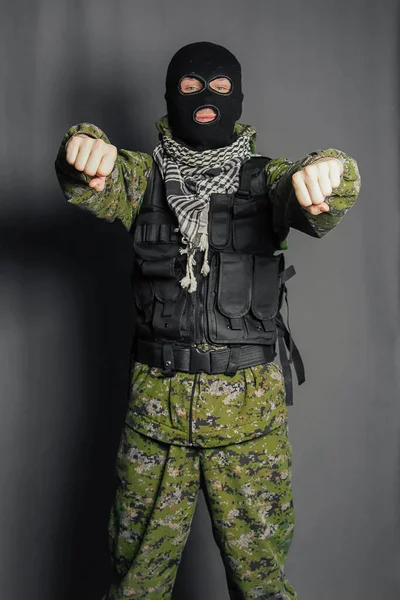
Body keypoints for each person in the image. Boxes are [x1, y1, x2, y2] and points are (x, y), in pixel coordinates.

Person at [55, 41, 361, 600]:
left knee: (262, 585)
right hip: (156, 414)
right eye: (191, 88)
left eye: (220, 89)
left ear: (239, 98)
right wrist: (81, 151)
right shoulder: (143, 179)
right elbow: (95, 180)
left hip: (248, 416)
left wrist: (332, 173)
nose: (205, 100)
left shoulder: (268, 181)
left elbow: (314, 194)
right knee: (135, 587)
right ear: (169, 96)